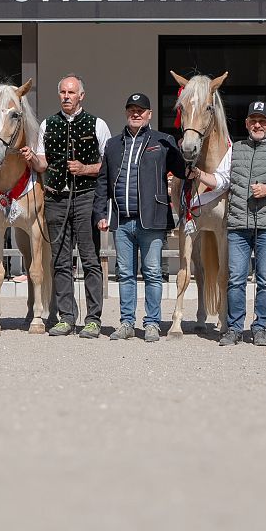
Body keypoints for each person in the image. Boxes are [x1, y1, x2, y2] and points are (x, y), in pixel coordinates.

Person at [19, 74, 110, 338]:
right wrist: (31, 158)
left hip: (86, 197)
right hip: (56, 197)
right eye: (63, 92)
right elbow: (43, 164)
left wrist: (86, 168)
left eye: (71, 92)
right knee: (59, 261)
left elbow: (108, 164)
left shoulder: (97, 124)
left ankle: (93, 319)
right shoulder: (49, 124)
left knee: (90, 259)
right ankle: (66, 317)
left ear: (82, 95)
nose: (66, 97)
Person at [93, 92, 186, 343]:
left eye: (141, 110)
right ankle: (126, 323)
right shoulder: (113, 144)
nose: (136, 113)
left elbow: (182, 170)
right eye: (132, 109)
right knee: (124, 273)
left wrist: (181, 147)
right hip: (122, 221)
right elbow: (103, 182)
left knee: (153, 273)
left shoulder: (162, 141)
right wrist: (101, 213)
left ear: (149, 114)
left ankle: (153, 323)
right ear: (126, 112)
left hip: (152, 220)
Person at [203, 100, 266, 346]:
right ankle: (234, 328)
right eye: (253, 120)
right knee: (236, 279)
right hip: (238, 226)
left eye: (262, 121)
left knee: (265, 279)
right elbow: (222, 180)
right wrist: (199, 175)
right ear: (246, 123)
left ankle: (261, 327)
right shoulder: (235, 150)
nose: (257, 125)